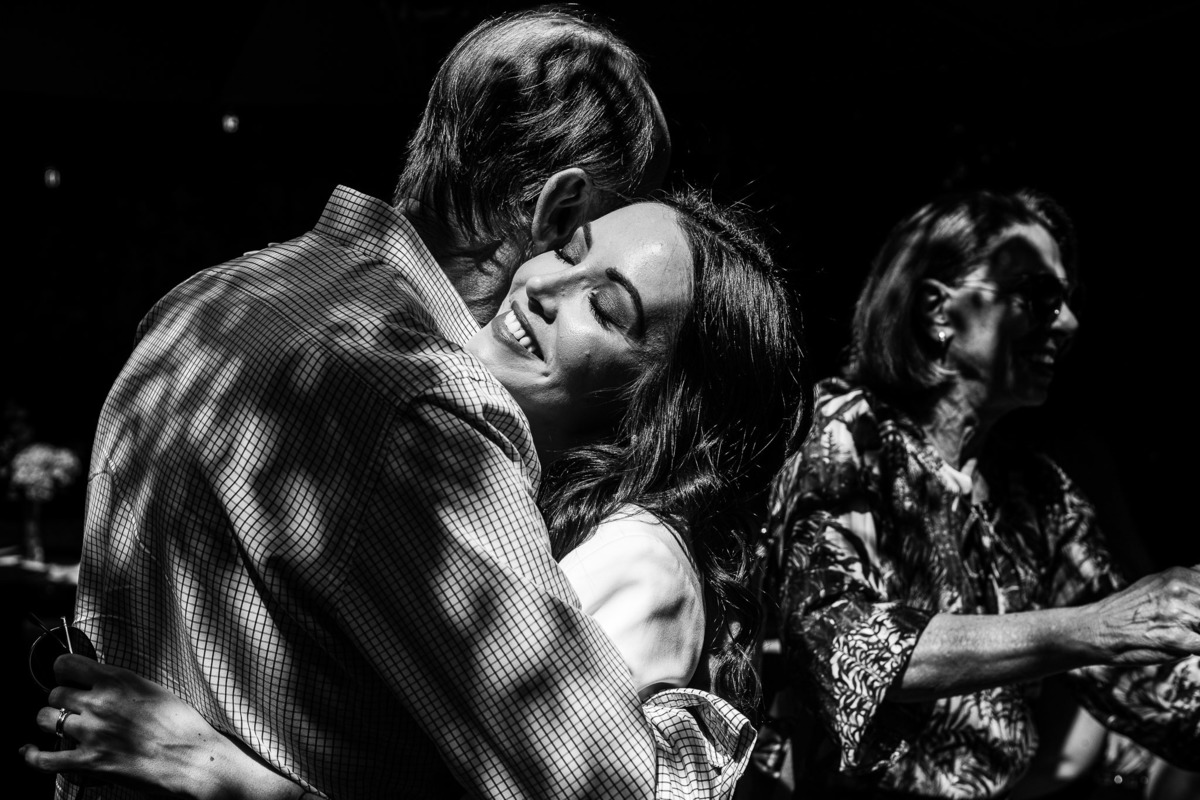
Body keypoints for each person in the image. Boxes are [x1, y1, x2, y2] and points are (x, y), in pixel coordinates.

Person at [21, 6, 707, 799]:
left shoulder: (199, 300)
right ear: (559, 210)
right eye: (586, 240)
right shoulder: (421, 406)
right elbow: (603, 786)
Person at [25, 189, 807, 799]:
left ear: (659, 413)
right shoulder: (518, 495)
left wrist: (214, 770)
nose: (545, 286)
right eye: (566, 248)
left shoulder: (636, 560)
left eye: (604, 308)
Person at [756, 189, 1200, 799]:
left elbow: (1154, 687)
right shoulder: (846, 431)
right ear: (938, 310)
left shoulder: (1037, 491)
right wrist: (1094, 627)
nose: (1068, 322)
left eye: (1068, 300)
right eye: (1040, 297)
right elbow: (844, 643)